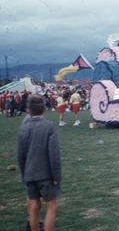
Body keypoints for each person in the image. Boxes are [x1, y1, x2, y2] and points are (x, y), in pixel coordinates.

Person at [16, 95, 62, 231]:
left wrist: (24, 174)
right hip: (46, 175)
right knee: (52, 205)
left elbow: (20, 155)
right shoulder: (49, 127)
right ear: (44, 109)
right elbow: (54, 155)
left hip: (29, 174)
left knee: (34, 206)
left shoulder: (23, 128)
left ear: (28, 110)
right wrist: (57, 177)